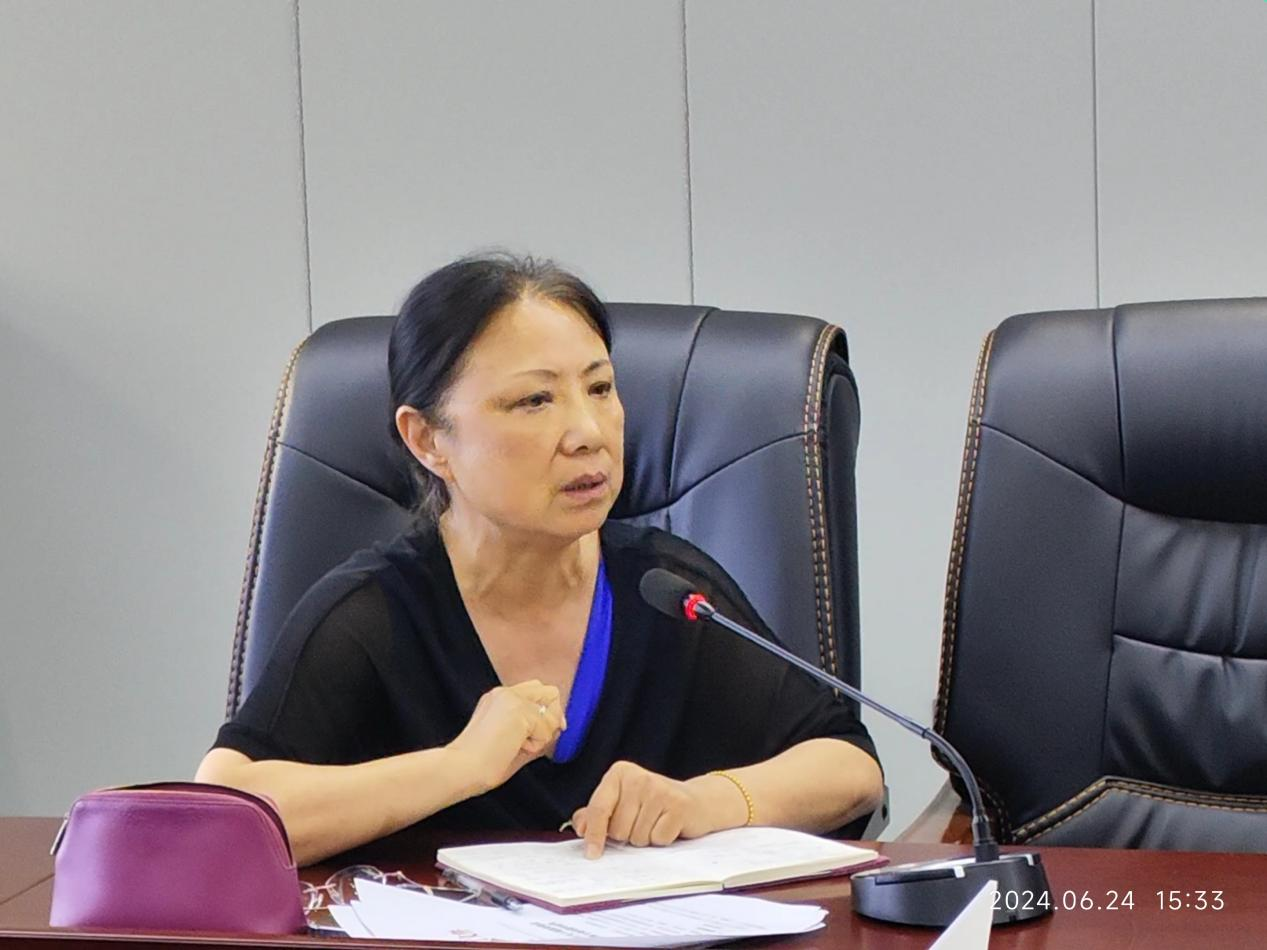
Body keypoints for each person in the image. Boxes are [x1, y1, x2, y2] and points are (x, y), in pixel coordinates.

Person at [196, 253, 884, 866]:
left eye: (600, 389)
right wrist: (457, 767)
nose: (587, 433)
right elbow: (221, 814)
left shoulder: (665, 592)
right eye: (533, 400)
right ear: (428, 440)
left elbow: (848, 768)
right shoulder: (373, 615)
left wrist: (707, 801)